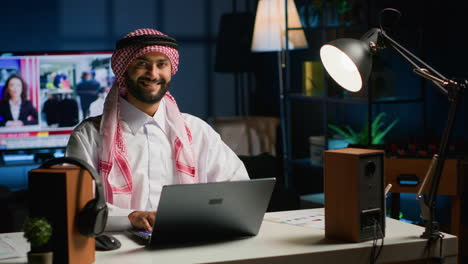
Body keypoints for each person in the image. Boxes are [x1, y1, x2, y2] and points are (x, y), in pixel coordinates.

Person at [65, 28, 250, 232]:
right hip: (117, 251)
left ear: (171, 70)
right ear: (124, 69)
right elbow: (77, 204)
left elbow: (237, 188)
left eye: (161, 64)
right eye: (142, 64)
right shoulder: (88, 136)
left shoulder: (197, 131)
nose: (153, 74)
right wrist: (131, 217)